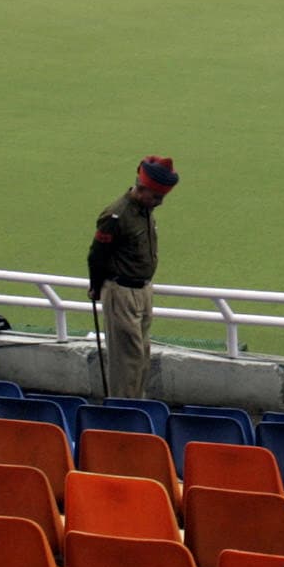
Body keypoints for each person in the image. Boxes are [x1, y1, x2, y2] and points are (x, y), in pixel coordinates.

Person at [87, 156, 177, 398]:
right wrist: (95, 287)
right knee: (127, 361)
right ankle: (123, 415)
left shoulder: (144, 210)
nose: (159, 202)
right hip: (122, 293)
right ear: (142, 187)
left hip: (143, 291)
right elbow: (96, 255)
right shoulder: (116, 215)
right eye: (156, 197)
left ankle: (136, 406)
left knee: (141, 358)